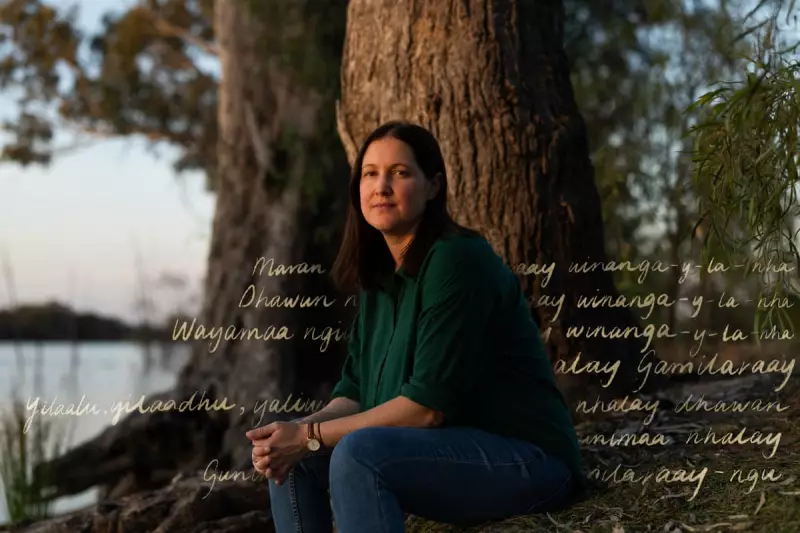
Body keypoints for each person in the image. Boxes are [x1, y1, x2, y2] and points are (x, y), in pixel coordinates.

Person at [246, 120, 586, 533]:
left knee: (357, 453)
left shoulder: (456, 261)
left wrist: (309, 435)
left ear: (433, 186)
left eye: (400, 173)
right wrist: (295, 435)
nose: (381, 186)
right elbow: (353, 393)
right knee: (296, 462)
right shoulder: (380, 277)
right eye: (370, 173)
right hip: (450, 453)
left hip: (529, 460)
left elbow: (426, 410)